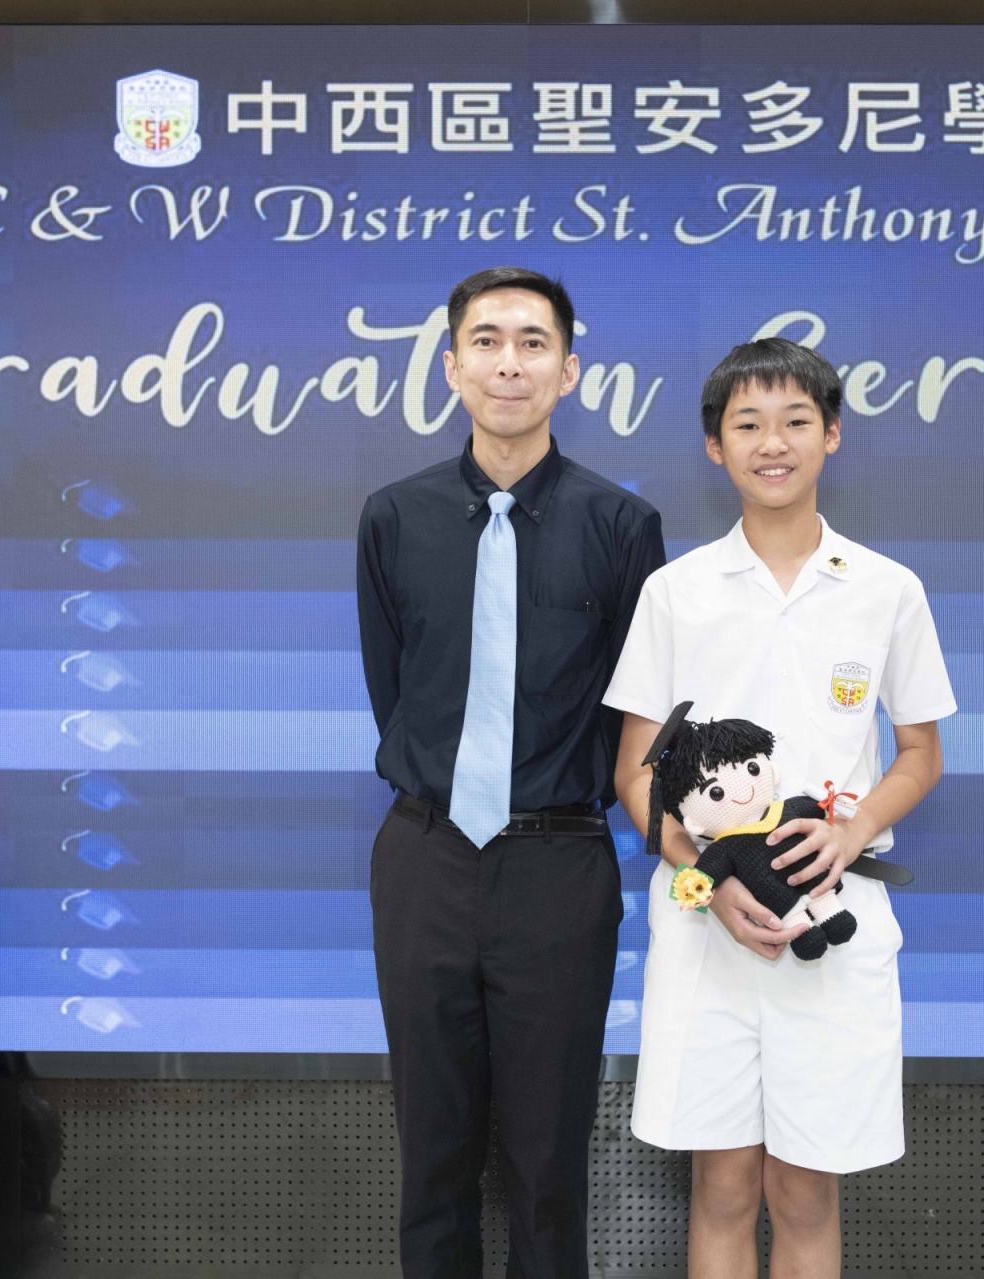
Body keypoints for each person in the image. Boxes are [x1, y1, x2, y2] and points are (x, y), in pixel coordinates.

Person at [604, 337, 956, 1279]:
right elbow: (634, 771)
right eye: (747, 423)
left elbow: (920, 752)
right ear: (714, 445)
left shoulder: (886, 588)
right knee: (722, 1187)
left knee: (805, 1192)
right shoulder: (675, 593)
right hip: (706, 932)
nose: (773, 442)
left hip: (831, 922)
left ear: (831, 434)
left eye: (796, 420)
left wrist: (852, 829)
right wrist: (703, 880)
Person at [356, 267, 666, 1279]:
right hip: (425, 857)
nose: (509, 363)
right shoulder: (392, 517)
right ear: (451, 366)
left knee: (548, 1162)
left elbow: (636, 715)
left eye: (534, 342)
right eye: (486, 341)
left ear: (569, 371)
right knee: (431, 1158)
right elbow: (395, 687)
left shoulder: (621, 526)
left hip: (559, 865)